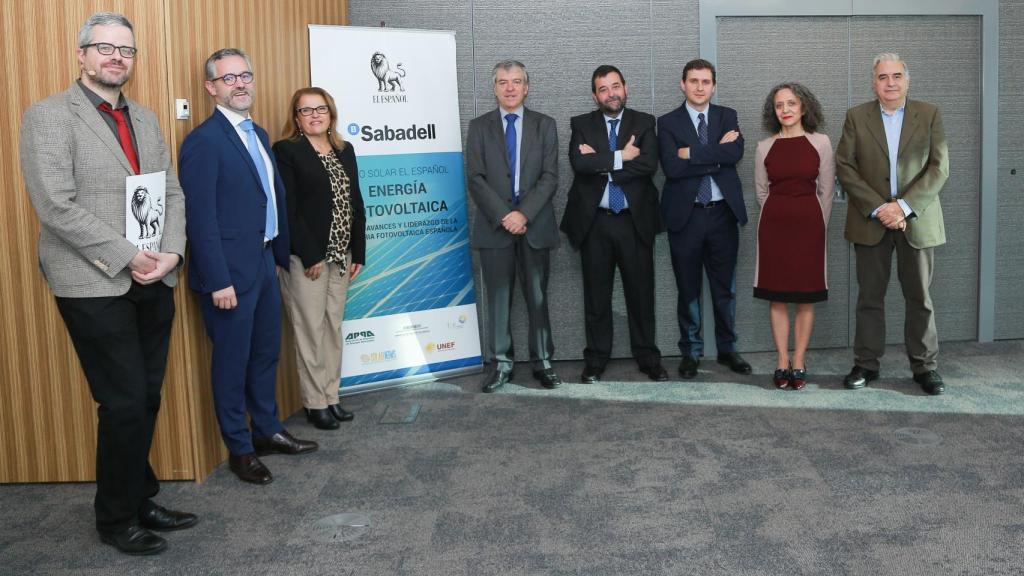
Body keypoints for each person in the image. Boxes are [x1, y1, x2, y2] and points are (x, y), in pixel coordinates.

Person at [19, 12, 195, 555]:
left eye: (126, 50)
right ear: (81, 55)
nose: (116, 57)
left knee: (145, 395)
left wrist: (171, 252)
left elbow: (171, 192)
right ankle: (115, 519)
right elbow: (55, 204)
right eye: (104, 48)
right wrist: (128, 256)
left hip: (154, 276)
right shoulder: (49, 116)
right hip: (91, 279)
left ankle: (140, 495)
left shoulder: (143, 118)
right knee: (121, 401)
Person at [180, 48, 318, 486]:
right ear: (211, 87)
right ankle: (240, 450)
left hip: (262, 262)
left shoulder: (256, 132)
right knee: (232, 363)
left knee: (264, 355)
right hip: (227, 276)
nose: (240, 84)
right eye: (229, 78)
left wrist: (276, 259)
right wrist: (218, 279)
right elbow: (199, 218)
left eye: (246, 76)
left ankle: (268, 431)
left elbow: (268, 198)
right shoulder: (203, 141)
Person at [836, 53, 949, 395]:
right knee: (869, 298)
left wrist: (902, 207)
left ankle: (925, 367)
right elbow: (845, 166)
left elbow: (938, 167)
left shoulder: (929, 114)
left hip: (917, 219)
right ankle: (866, 364)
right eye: (883, 77)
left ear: (907, 80)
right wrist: (879, 208)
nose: (890, 82)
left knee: (920, 297)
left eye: (896, 76)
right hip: (871, 221)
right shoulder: (857, 117)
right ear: (874, 83)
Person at [562, 65, 667, 383]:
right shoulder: (581, 124)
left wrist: (603, 162)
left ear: (626, 87)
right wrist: (622, 156)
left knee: (641, 295)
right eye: (603, 89)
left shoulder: (644, 122)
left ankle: (648, 358)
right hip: (595, 223)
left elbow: (649, 164)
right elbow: (579, 164)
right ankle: (595, 360)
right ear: (595, 95)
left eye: (615, 86)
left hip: (634, 222)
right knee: (596, 297)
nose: (611, 93)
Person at [466, 60, 562, 392]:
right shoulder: (478, 127)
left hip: (534, 225)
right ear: (494, 88)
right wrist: (505, 216)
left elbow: (550, 177)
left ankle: (543, 361)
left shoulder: (545, 125)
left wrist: (523, 214)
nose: (510, 88)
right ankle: (501, 364)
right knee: (498, 298)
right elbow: (475, 178)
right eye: (503, 82)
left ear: (527, 87)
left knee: (537, 296)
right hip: (495, 227)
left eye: (517, 81)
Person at [273, 87, 365, 430]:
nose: (314, 115)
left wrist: (359, 251)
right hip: (306, 258)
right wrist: (309, 253)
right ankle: (315, 403)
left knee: (332, 327)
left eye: (320, 109)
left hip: (342, 255)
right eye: (305, 110)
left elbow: (355, 202)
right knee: (310, 329)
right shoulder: (287, 151)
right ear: (296, 118)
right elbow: (289, 210)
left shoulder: (345, 149)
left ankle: (332, 395)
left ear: (331, 113)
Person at [658, 59, 751, 379]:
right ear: (682, 84)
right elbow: (671, 167)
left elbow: (734, 154)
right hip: (686, 217)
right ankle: (691, 352)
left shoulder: (728, 116)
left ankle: (728, 350)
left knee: (725, 288)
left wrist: (691, 153)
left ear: (714, 85)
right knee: (688, 289)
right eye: (694, 81)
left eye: (706, 81)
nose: (700, 87)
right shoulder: (667, 122)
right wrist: (714, 154)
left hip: (723, 215)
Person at [753, 82, 835, 390]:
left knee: (805, 298)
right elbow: (762, 192)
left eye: (791, 103)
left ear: (803, 107)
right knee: (776, 297)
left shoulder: (822, 143)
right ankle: (781, 360)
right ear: (773, 111)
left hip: (810, 228)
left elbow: (826, 191)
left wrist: (815, 223)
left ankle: (799, 360)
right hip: (773, 229)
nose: (785, 110)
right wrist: (779, 214)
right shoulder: (764, 147)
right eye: (779, 105)